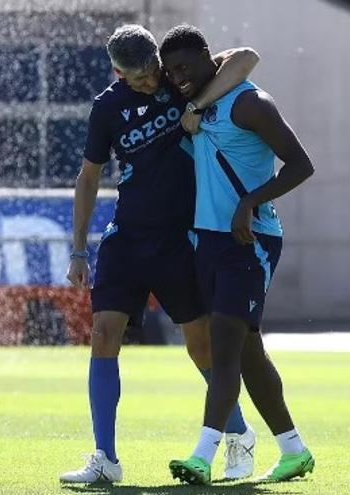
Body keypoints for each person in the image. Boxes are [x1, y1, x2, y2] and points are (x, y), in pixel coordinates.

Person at [59, 24, 260, 484]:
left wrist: (197, 105)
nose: (151, 82)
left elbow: (246, 57)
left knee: (201, 347)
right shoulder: (107, 107)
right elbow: (88, 178)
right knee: (104, 333)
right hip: (127, 237)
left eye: (153, 71)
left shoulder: (179, 79)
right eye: (140, 78)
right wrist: (78, 250)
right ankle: (105, 459)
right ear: (118, 73)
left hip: (179, 240)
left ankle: (239, 435)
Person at [160, 24, 316, 485]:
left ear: (209, 57)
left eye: (185, 66)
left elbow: (301, 164)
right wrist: (195, 103)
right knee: (247, 354)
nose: (178, 77)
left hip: (249, 241)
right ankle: (294, 450)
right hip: (209, 241)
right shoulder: (201, 99)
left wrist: (250, 202)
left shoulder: (250, 103)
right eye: (171, 71)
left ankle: (202, 456)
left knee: (223, 347)